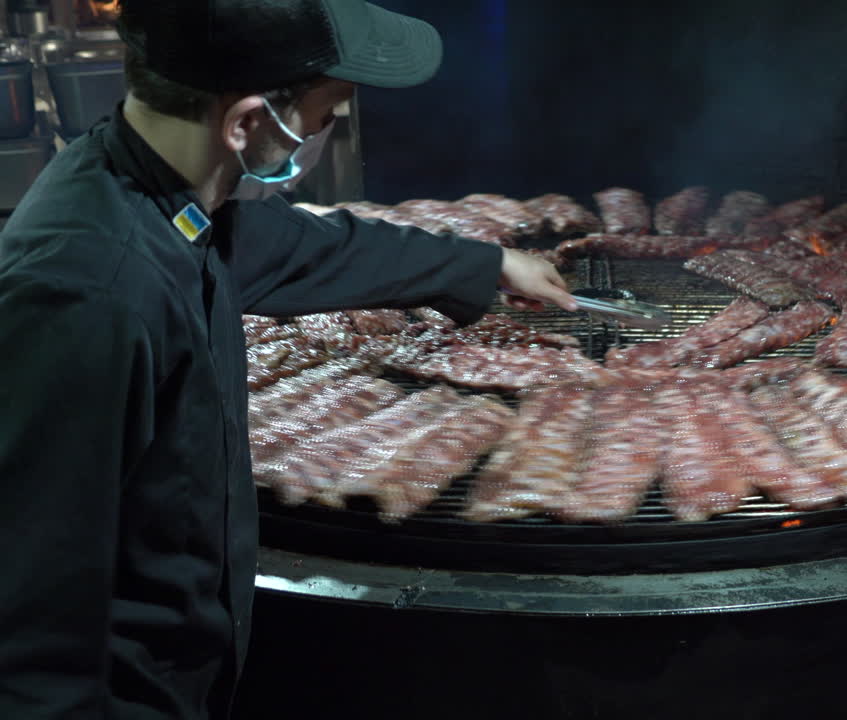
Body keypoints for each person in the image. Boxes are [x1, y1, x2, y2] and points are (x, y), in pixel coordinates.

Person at [0, 1, 577, 717]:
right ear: (245, 124)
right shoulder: (86, 296)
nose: (325, 132)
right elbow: (30, 632)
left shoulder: (164, 198)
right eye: (326, 113)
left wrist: (485, 263)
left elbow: (303, 247)